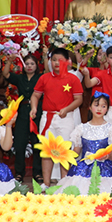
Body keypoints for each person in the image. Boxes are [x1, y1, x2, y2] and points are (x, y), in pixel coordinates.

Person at [29, 47, 83, 188]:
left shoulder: (73, 79)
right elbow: (35, 95)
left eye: (60, 60)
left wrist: (67, 109)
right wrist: (34, 108)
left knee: (65, 150)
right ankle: (46, 183)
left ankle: (64, 183)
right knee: (47, 150)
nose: (56, 63)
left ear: (68, 61)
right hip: (47, 117)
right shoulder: (44, 78)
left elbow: (79, 99)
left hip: (65, 117)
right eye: (53, 60)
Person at [57, 92, 112, 193]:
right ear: (90, 107)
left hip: (105, 169)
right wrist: (64, 154)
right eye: (96, 105)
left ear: (107, 109)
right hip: (84, 168)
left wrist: (107, 156)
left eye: (103, 106)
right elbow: (76, 153)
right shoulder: (81, 128)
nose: (99, 109)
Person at [2, 54, 41, 183]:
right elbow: (6, 74)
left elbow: (48, 70)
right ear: (23, 66)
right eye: (27, 64)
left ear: (36, 66)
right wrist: (9, 61)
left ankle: (38, 173)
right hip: (22, 112)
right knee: (20, 143)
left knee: (37, 143)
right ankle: (19, 173)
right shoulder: (20, 78)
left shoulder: (40, 78)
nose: (29, 66)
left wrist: (46, 56)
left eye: (32, 64)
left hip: (37, 112)